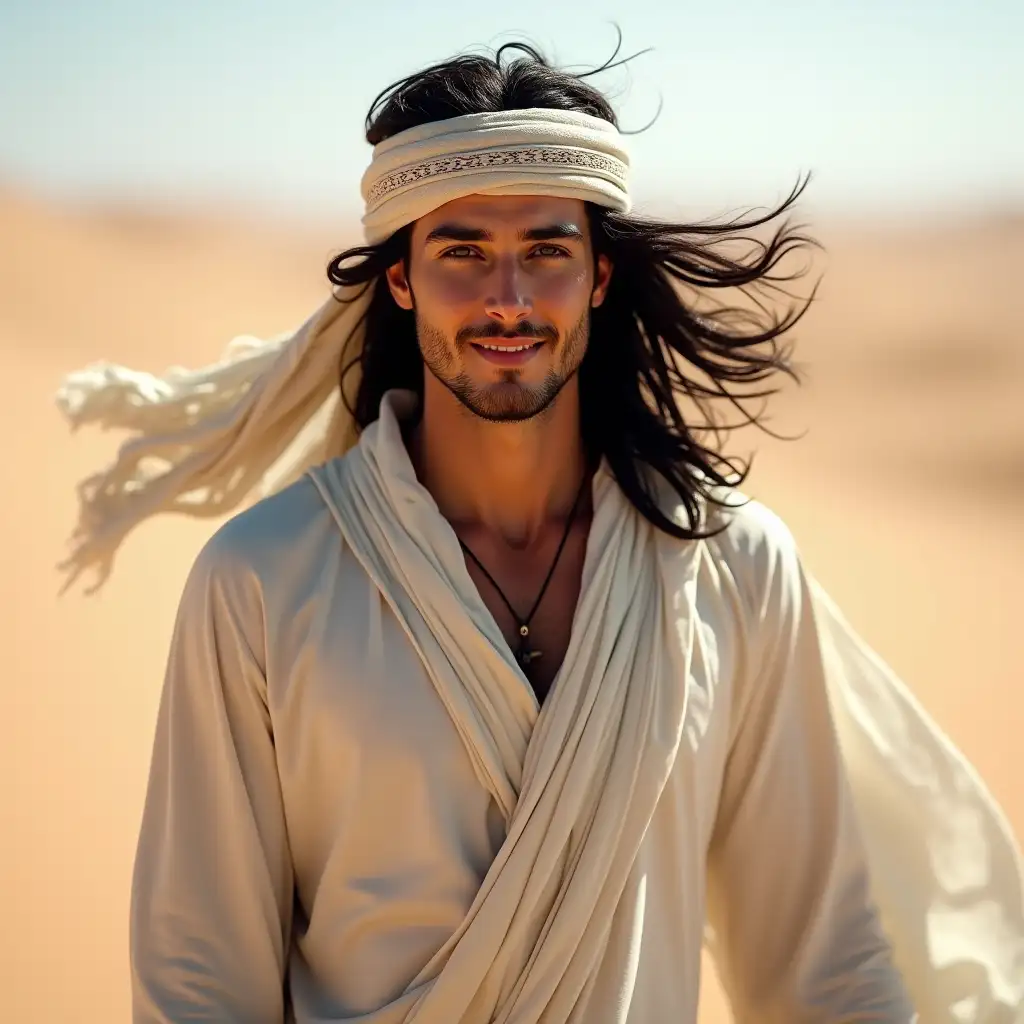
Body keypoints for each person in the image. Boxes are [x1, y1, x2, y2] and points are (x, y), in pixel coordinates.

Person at [57, 41, 1024, 1024]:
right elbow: (198, 985)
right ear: (399, 279)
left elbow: (822, 968)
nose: (507, 301)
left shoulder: (727, 568)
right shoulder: (264, 578)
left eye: (546, 253)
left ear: (600, 276)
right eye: (462, 252)